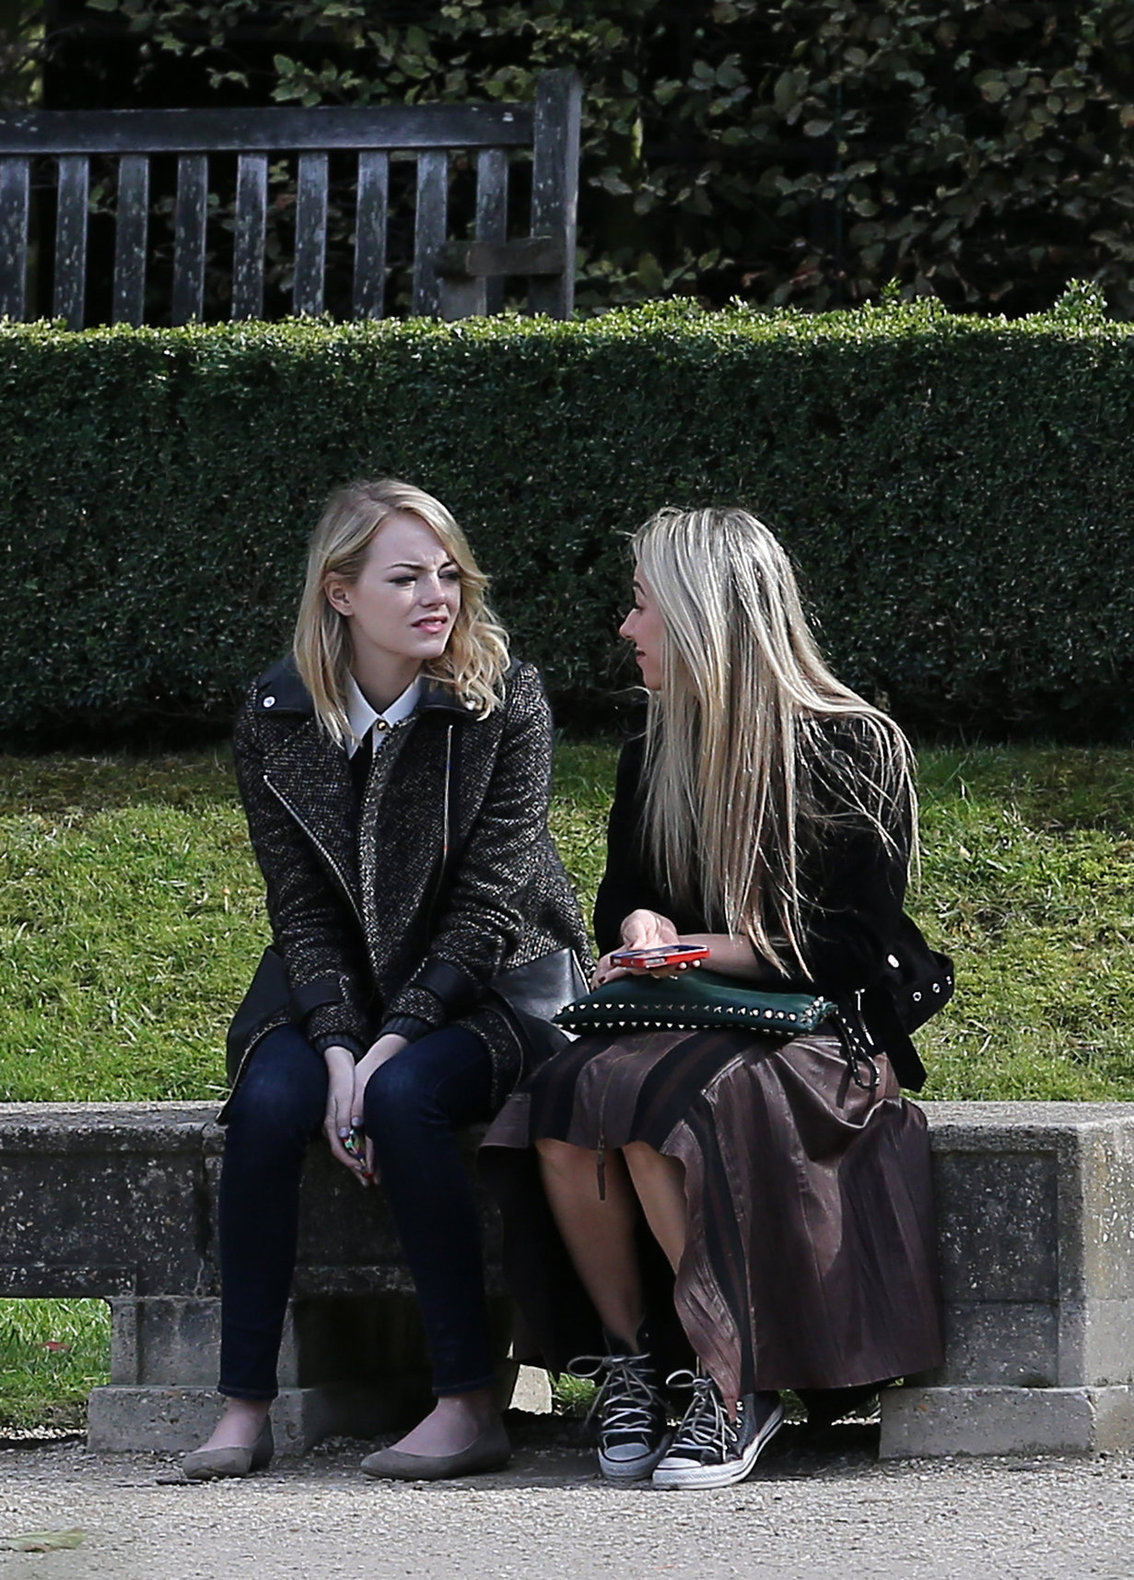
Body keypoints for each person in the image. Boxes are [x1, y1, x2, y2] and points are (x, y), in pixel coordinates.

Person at [482, 504, 946, 1490]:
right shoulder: (654, 748)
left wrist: (709, 948)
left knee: (659, 1106)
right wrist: (643, 927)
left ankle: (732, 1379)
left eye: (641, 603)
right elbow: (622, 897)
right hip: (686, 1019)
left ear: (702, 616)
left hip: (816, 1036)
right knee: (561, 1100)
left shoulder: (852, 745)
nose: (626, 626)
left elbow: (851, 948)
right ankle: (633, 1363)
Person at [182, 478, 589, 1483]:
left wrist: (386, 1047)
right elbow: (299, 908)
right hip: (340, 988)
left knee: (404, 1097)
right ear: (340, 593)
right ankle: (244, 1406)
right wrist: (335, 1047)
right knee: (267, 1102)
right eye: (405, 577)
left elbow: (491, 904)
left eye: (447, 573)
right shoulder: (277, 713)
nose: (436, 596)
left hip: (498, 987)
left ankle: (467, 1403)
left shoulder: (503, 699)